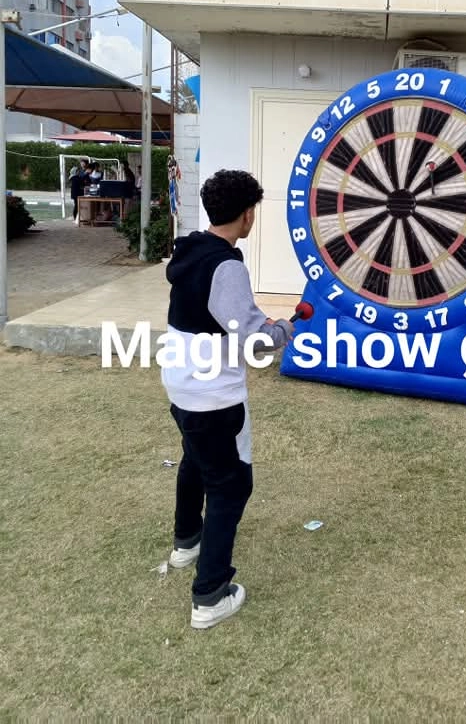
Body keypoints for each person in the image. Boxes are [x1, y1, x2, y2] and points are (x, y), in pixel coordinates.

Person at [160, 169, 294, 630]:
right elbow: (255, 341)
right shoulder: (227, 266)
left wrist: (260, 325)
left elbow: (226, 320)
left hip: (181, 385)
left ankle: (186, 544)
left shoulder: (190, 250)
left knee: (196, 461)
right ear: (247, 214)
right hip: (213, 395)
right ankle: (210, 596)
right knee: (231, 485)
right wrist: (283, 329)